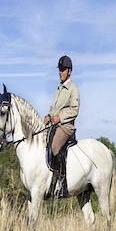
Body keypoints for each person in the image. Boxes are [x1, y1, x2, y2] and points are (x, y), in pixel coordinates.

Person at [44, 55, 80, 197]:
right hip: (56, 125)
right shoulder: (58, 89)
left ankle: (61, 181)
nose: (60, 72)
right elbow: (54, 109)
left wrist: (60, 117)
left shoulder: (73, 89)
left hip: (66, 127)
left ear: (69, 71)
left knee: (54, 147)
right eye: (59, 69)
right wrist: (48, 116)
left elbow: (74, 110)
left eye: (63, 69)